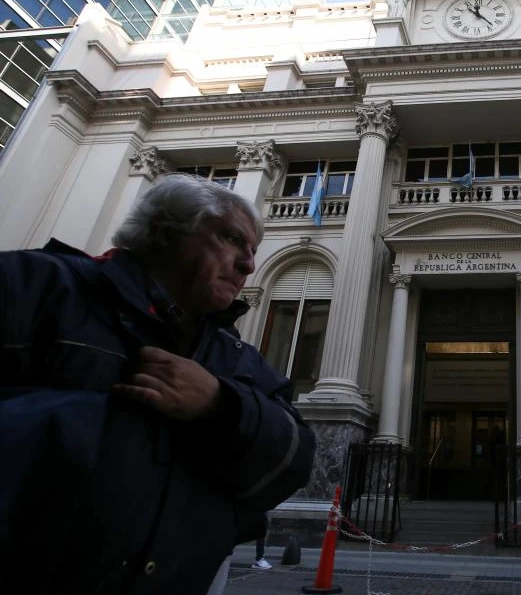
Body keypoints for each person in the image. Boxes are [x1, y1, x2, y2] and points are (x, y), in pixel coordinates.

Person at [0, 174, 316, 594]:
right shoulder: (35, 285)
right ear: (165, 231)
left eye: (253, 250)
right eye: (230, 238)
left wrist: (221, 407)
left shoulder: (237, 358)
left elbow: (295, 459)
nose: (249, 264)